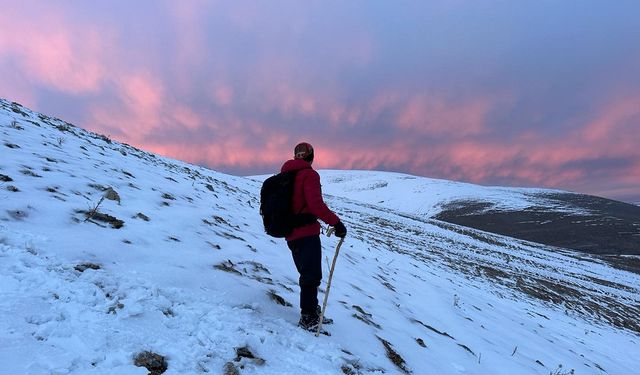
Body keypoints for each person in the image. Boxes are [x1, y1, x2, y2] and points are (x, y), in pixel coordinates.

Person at [280, 142, 347, 331]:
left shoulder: (286, 175)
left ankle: (311, 310)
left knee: (307, 273)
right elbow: (316, 205)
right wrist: (336, 223)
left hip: (290, 233)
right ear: (311, 157)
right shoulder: (309, 175)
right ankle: (308, 316)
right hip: (306, 231)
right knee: (311, 275)